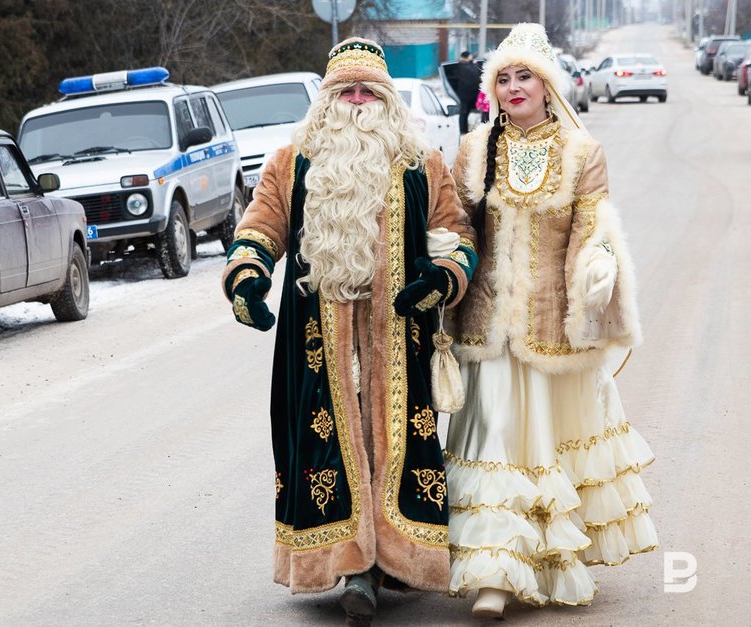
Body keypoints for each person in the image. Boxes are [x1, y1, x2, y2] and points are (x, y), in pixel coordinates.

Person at [221, 37, 477, 625]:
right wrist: (248, 275)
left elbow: (455, 233)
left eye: (368, 90)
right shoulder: (292, 162)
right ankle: (352, 565)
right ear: (327, 99)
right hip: (319, 341)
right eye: (346, 91)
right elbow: (261, 223)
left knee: (397, 440)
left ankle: (394, 557)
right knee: (329, 444)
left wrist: (443, 279)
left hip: (400, 333)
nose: (357, 101)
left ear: (386, 100)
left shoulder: (421, 161)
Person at [445, 23, 658, 619]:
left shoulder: (582, 152)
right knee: (493, 440)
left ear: (547, 85)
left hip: (552, 329)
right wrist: (443, 259)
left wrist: (598, 266)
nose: (514, 87)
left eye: (525, 76)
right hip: (486, 329)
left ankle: (546, 559)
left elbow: (593, 227)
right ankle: (493, 574)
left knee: (545, 445)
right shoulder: (473, 148)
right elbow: (458, 226)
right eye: (503, 78)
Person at [455, 50, 482, 135]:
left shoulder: (458, 66)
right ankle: (464, 130)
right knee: (466, 113)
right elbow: (477, 74)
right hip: (472, 94)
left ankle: (463, 130)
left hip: (464, 94)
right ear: (467, 57)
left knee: (464, 113)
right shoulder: (472, 66)